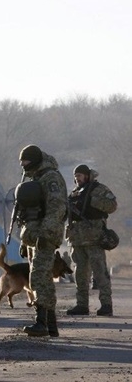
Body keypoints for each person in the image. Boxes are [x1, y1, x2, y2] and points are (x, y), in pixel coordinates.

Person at [17, 144, 67, 337]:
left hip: (45, 235)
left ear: (35, 160)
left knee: (39, 276)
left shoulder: (50, 178)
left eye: (26, 161)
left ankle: (41, 322)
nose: (23, 165)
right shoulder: (36, 177)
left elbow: (56, 208)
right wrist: (25, 241)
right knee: (41, 277)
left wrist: (45, 234)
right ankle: (51, 325)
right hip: (34, 235)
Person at [65, 164, 117, 316]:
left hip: (94, 239)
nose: (77, 179)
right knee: (80, 275)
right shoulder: (75, 193)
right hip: (77, 240)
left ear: (87, 176)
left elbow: (112, 205)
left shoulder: (99, 189)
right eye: (75, 177)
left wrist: (93, 202)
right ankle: (82, 305)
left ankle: (106, 305)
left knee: (100, 273)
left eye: (79, 176)